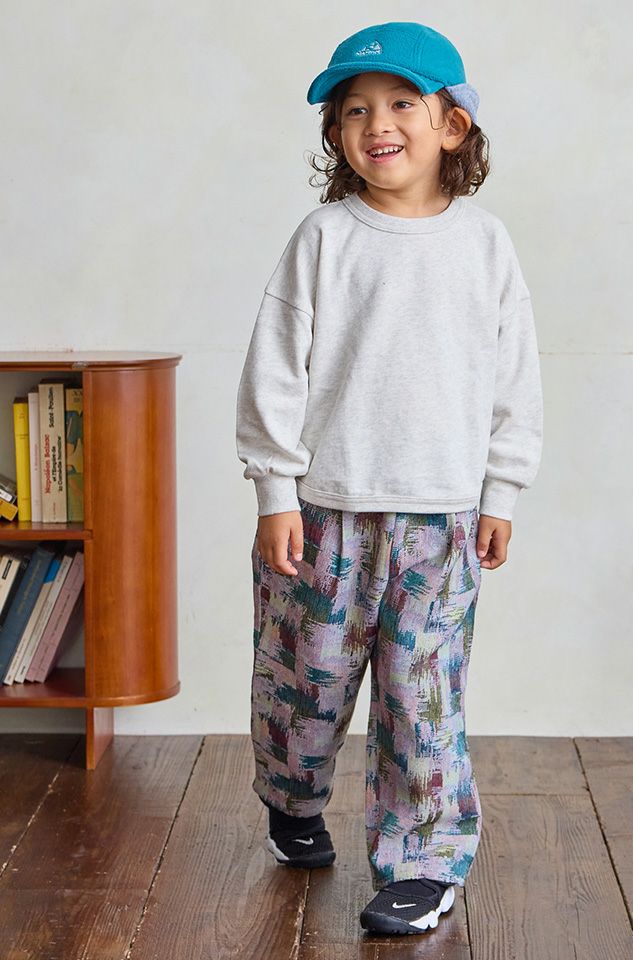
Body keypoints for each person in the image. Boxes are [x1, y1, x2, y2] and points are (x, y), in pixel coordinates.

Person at [235, 20, 543, 937]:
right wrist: (274, 491)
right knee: (304, 686)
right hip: (324, 516)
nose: (378, 123)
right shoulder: (324, 237)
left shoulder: (485, 244)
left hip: (442, 522)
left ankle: (423, 861)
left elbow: (514, 378)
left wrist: (503, 492)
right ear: (335, 133)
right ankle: (292, 802)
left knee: (422, 699)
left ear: (452, 125)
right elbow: (274, 371)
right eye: (354, 109)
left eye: (403, 102)